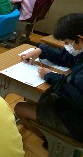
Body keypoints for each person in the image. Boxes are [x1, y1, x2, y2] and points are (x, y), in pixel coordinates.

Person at [15, 13, 83, 147]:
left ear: (80, 39)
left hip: (77, 123)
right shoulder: (81, 52)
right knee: (42, 96)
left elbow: (78, 99)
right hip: (75, 111)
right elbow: (68, 57)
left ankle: (50, 142)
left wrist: (50, 75)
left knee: (19, 108)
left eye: (68, 43)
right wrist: (41, 51)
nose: (67, 46)